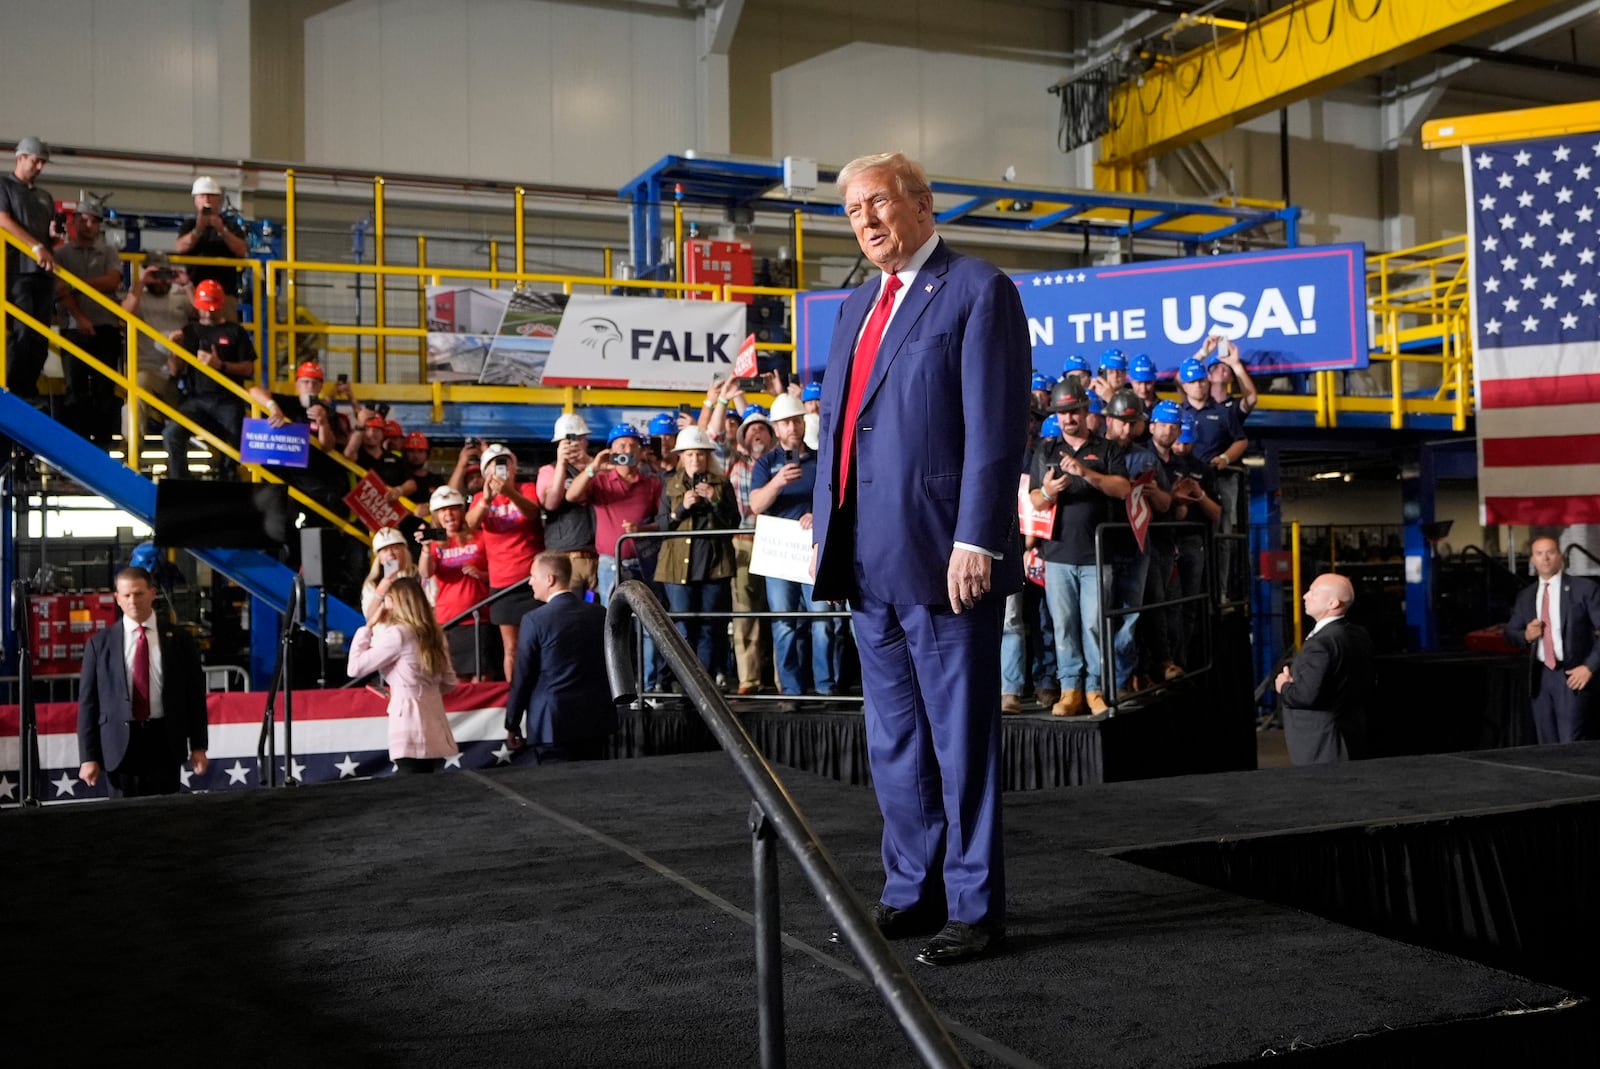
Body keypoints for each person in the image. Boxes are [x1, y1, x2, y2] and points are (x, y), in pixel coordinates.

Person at [810, 151, 1029, 966]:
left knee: (960, 742)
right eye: (852, 212)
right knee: (894, 740)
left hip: (944, 558)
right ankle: (912, 890)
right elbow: (842, 427)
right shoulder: (855, 306)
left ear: (922, 204)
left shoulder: (977, 289)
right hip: (866, 561)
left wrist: (978, 536)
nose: (865, 221)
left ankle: (974, 905)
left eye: (877, 203)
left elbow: (996, 428)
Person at [1029, 377, 1127, 717]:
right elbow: (1035, 502)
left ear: (1086, 411)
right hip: (1057, 554)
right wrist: (1048, 491)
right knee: (1065, 626)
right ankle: (1070, 688)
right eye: (1062, 413)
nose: (1068, 418)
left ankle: (1095, 688)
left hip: (1097, 555)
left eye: (1074, 411)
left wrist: (1086, 472)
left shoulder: (1107, 449)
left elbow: (1122, 490)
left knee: (1094, 624)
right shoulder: (1045, 450)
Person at [76, 566, 209, 797]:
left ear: (152, 593)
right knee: (122, 823)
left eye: (139, 593)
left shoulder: (180, 641)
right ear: (117, 598)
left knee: (164, 819)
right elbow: (88, 704)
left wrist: (198, 746)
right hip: (119, 746)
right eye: (126, 595)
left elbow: (194, 697)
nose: (133, 601)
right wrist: (88, 757)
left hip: (165, 741)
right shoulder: (99, 645)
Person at [751, 393, 838, 703]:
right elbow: (756, 506)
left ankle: (826, 688)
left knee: (822, 622)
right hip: (778, 556)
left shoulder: (820, 459)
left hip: (812, 551)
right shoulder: (765, 463)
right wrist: (776, 483)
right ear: (776, 427)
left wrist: (818, 514)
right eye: (786, 421)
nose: (792, 426)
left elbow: (833, 497)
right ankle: (792, 691)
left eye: (797, 420)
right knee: (785, 623)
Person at [505, 551, 616, 763]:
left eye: (533, 576)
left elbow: (523, 676)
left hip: (552, 726)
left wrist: (512, 722)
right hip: (596, 721)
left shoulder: (534, 620)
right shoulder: (600, 613)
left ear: (550, 579)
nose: (530, 582)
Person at [346, 575, 459, 775]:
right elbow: (449, 682)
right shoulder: (436, 632)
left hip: (408, 721)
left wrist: (368, 626)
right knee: (433, 788)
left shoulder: (397, 634)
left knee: (410, 787)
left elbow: (355, 667)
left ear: (394, 602)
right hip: (435, 720)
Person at [656, 426, 739, 678]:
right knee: (681, 626)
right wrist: (681, 508)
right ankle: (682, 680)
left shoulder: (722, 483)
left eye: (701, 454)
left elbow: (733, 522)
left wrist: (714, 499)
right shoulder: (670, 485)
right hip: (677, 568)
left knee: (710, 626)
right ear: (681, 456)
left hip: (714, 565)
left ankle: (706, 679)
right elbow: (662, 526)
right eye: (690, 454)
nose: (696, 459)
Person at [1505, 536, 1600, 743]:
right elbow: (1510, 633)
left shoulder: (1584, 589)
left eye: (1550, 552)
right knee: (1546, 746)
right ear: (1533, 560)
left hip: (1572, 675)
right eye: (1539, 554)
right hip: (1541, 678)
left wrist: (1589, 667)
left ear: (1560, 558)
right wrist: (1525, 635)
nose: (1545, 558)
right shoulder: (1526, 596)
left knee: (1570, 744)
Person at [1274, 573, 1374, 766]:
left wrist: (1284, 686)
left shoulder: (1321, 644)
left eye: (1313, 592)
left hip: (1323, 745)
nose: (1304, 596)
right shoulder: (1358, 634)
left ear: (1333, 604)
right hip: (1352, 735)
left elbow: (1305, 696)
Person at [466, 442, 544, 684]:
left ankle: (540, 690)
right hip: (503, 583)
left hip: (532, 580)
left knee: (538, 644)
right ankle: (514, 697)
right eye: (494, 465)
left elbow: (532, 513)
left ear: (514, 467)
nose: (500, 469)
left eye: (505, 463)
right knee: (511, 647)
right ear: (484, 472)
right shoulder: (480, 497)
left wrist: (510, 492)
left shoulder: (526, 487)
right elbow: (470, 524)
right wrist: (486, 500)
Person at [162, 279, 256, 478]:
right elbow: (174, 371)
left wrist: (220, 365)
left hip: (228, 400)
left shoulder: (235, 331)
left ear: (221, 304)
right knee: (172, 434)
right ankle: (180, 482)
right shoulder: (189, 331)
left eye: (211, 308)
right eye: (204, 308)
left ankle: (228, 481)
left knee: (234, 444)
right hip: (196, 399)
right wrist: (174, 349)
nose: (207, 313)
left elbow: (248, 368)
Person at [54, 197, 125, 444]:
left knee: (105, 389)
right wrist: (80, 317)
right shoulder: (60, 254)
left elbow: (113, 281)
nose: (88, 225)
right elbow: (60, 290)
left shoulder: (108, 251)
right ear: (74, 222)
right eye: (83, 219)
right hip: (74, 329)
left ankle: (103, 449)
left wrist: (77, 284)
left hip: (106, 327)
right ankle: (77, 447)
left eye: (94, 221)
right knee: (76, 391)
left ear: (99, 226)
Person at [566, 423, 661, 605]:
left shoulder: (652, 484)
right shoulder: (600, 481)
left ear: (641, 452)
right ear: (611, 451)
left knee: (647, 619)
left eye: (634, 446)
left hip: (643, 562)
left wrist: (641, 528)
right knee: (612, 618)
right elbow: (571, 495)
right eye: (622, 446)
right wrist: (593, 466)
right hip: (610, 564)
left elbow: (663, 521)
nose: (628, 450)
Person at [0, 137, 59, 400]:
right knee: (22, 333)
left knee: (40, 337)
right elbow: (3, 219)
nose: (39, 167)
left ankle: (28, 390)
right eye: (35, 161)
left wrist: (53, 235)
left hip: (43, 273)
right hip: (18, 270)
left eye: (42, 163)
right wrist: (35, 246)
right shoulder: (4, 186)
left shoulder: (44, 196)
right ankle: (12, 391)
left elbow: (49, 232)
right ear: (20, 157)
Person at [417, 485, 495, 681]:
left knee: (483, 677)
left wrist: (481, 574)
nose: (449, 514)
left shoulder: (479, 536)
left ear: (461, 511)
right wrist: (426, 549)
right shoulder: (435, 540)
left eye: (453, 509)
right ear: (436, 515)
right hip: (450, 620)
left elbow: (496, 572)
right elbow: (426, 573)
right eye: (443, 510)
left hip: (480, 616)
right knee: (455, 680)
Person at [120, 251, 191, 443]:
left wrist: (187, 284)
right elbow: (124, 315)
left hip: (180, 372)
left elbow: (204, 314)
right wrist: (142, 281)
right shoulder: (139, 297)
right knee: (137, 393)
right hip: (149, 369)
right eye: (157, 275)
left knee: (192, 408)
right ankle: (132, 450)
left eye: (165, 275)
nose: (162, 281)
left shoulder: (181, 297)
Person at [537, 412, 600, 594]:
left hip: (598, 555)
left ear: (586, 441)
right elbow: (551, 503)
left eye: (579, 438)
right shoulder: (549, 471)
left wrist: (590, 464)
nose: (575, 444)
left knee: (600, 615)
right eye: (569, 440)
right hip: (564, 558)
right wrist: (562, 466)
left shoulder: (597, 467)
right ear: (559, 444)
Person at [174, 176, 249, 315]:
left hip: (224, 293)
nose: (207, 200)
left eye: (211, 196)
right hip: (193, 292)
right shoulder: (189, 225)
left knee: (225, 332)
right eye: (202, 196)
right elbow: (180, 247)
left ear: (220, 200)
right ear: (196, 200)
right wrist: (198, 230)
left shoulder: (231, 225)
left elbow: (242, 250)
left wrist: (222, 230)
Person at [362, 527, 419, 619]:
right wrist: (381, 590)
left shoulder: (419, 576)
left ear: (404, 552)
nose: (390, 554)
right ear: (380, 559)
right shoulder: (372, 584)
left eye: (395, 548)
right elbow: (369, 617)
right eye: (385, 551)